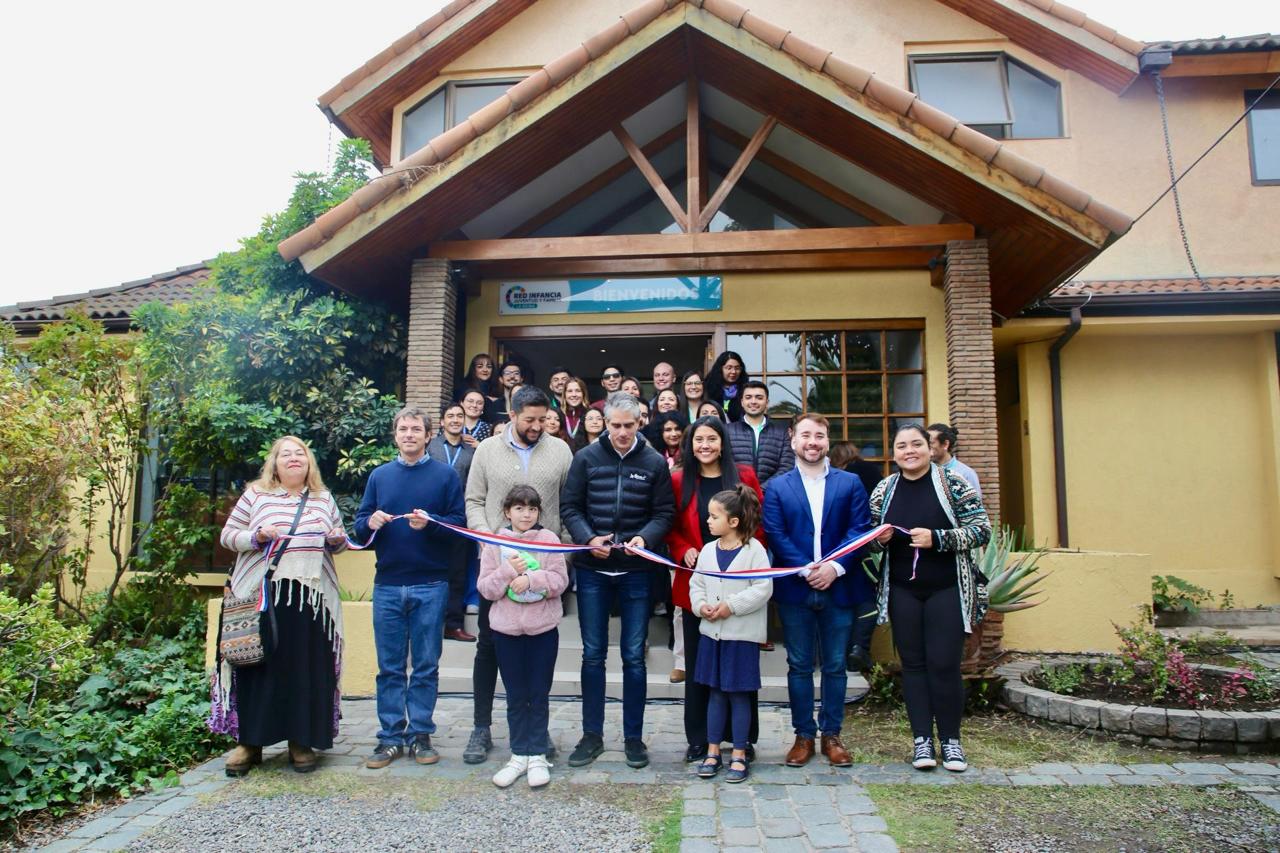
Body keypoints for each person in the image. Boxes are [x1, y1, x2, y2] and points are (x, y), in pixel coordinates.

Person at [213, 435, 348, 776]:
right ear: (274, 463)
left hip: (309, 602)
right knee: (256, 668)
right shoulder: (256, 494)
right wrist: (257, 535)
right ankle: (249, 743)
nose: (293, 459)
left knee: (303, 669)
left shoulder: (322, 497)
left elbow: (339, 540)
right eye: (285, 454)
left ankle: (300, 741)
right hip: (262, 596)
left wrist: (336, 540)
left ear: (308, 462)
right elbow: (228, 535)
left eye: (299, 453)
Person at [561, 392, 674, 770]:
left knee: (633, 658)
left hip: (636, 574)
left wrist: (646, 537)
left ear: (641, 422)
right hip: (593, 570)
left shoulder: (654, 461)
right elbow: (570, 507)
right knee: (593, 654)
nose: (622, 433)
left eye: (629, 425)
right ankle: (591, 735)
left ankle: (634, 738)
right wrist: (586, 538)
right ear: (605, 423)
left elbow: (664, 512)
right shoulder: (585, 458)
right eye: (615, 426)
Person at [870, 424, 991, 773]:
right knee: (914, 667)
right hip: (903, 590)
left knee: (943, 664)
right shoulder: (883, 490)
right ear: (893, 453)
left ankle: (951, 742)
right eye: (902, 445)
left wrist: (937, 538)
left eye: (916, 444)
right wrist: (882, 538)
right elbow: (872, 537)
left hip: (946, 589)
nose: (910, 451)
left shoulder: (954, 484)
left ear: (930, 448)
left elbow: (981, 528)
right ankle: (922, 740)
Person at [462, 386, 574, 765]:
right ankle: (481, 727)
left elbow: (568, 501)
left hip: (544, 563)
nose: (537, 426)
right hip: (497, 564)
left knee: (539, 652)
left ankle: (536, 734)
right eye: (530, 420)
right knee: (488, 647)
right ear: (512, 415)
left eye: (543, 419)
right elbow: (474, 500)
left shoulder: (560, 450)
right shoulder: (488, 451)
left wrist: (564, 550)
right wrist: (485, 539)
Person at [355, 407, 467, 769]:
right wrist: (370, 521)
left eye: (415, 429)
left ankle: (420, 733)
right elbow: (360, 527)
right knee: (389, 667)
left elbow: (458, 527)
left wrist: (431, 524)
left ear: (428, 435)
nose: (408, 434)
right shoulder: (379, 476)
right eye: (403, 429)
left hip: (431, 584)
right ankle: (389, 737)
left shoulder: (445, 476)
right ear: (395, 435)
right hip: (387, 584)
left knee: (424, 666)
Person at [762, 413, 873, 769]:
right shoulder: (777, 487)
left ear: (828, 441)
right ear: (793, 440)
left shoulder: (851, 483)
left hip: (839, 586)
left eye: (820, 436)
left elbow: (859, 529)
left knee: (836, 666)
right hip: (796, 588)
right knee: (798, 666)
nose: (813, 442)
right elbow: (776, 534)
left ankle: (832, 735)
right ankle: (803, 736)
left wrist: (834, 567)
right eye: (806, 435)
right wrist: (808, 569)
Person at [666, 416, 763, 763]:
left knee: (739, 669)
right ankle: (700, 739)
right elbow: (670, 527)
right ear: (689, 444)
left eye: (711, 439)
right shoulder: (679, 480)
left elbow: (758, 525)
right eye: (698, 439)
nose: (704, 445)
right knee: (698, 667)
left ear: (723, 442)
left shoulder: (745, 477)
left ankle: (741, 739)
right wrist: (682, 549)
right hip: (697, 588)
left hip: (739, 588)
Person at [476, 485, 569, 788]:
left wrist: (532, 578)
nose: (525, 514)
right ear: (507, 512)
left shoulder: (549, 540)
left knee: (538, 693)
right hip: (506, 631)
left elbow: (560, 580)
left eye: (531, 509)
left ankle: (538, 755)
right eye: (519, 508)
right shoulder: (495, 542)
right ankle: (518, 754)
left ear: (539, 512)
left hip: (542, 630)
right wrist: (506, 572)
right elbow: (486, 588)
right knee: (516, 695)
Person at [690, 486, 773, 784]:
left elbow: (763, 588)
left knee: (738, 695)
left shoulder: (754, 551)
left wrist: (731, 607)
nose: (708, 521)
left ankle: (739, 752)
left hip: (741, 637)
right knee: (715, 693)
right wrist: (701, 606)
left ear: (734, 521)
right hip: (712, 635)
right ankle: (713, 750)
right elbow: (697, 583)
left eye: (714, 516)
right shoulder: (709, 550)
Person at [829, 440, 886, 672]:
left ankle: (842, 651)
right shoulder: (871, 471)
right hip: (870, 543)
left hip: (841, 546)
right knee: (866, 599)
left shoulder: (840, 478)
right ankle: (859, 648)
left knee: (844, 600)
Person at [428, 404, 478, 643]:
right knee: (430, 569)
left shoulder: (472, 452)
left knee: (457, 572)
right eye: (451, 416)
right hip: (431, 517)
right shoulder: (430, 447)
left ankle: (453, 625)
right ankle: (429, 624)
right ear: (441, 422)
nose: (456, 420)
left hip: (460, 518)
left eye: (460, 416)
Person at [726, 380, 795, 487]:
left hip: (770, 496)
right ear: (742, 402)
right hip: (735, 496)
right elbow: (724, 464)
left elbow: (786, 467)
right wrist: (743, 491)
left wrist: (761, 491)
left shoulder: (782, 433)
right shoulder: (727, 430)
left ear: (767, 402)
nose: (753, 401)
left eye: (759, 397)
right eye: (748, 397)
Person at [927, 423, 981, 498]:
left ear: (945, 444)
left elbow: (976, 505)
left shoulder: (966, 474)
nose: (926, 447)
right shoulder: (924, 470)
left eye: (930, 443)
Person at [454, 354, 503, 424]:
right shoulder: (464, 386)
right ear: (474, 369)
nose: (485, 370)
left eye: (489, 367)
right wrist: (489, 399)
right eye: (480, 367)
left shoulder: (497, 387)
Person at [705, 351, 749, 422]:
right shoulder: (709, 388)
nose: (733, 371)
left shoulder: (746, 390)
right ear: (720, 369)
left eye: (737, 368)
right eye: (729, 368)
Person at [561, 376, 589, 443]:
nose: (574, 394)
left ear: (583, 394)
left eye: (578, 391)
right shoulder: (558, 415)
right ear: (564, 394)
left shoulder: (589, 414)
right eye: (570, 391)